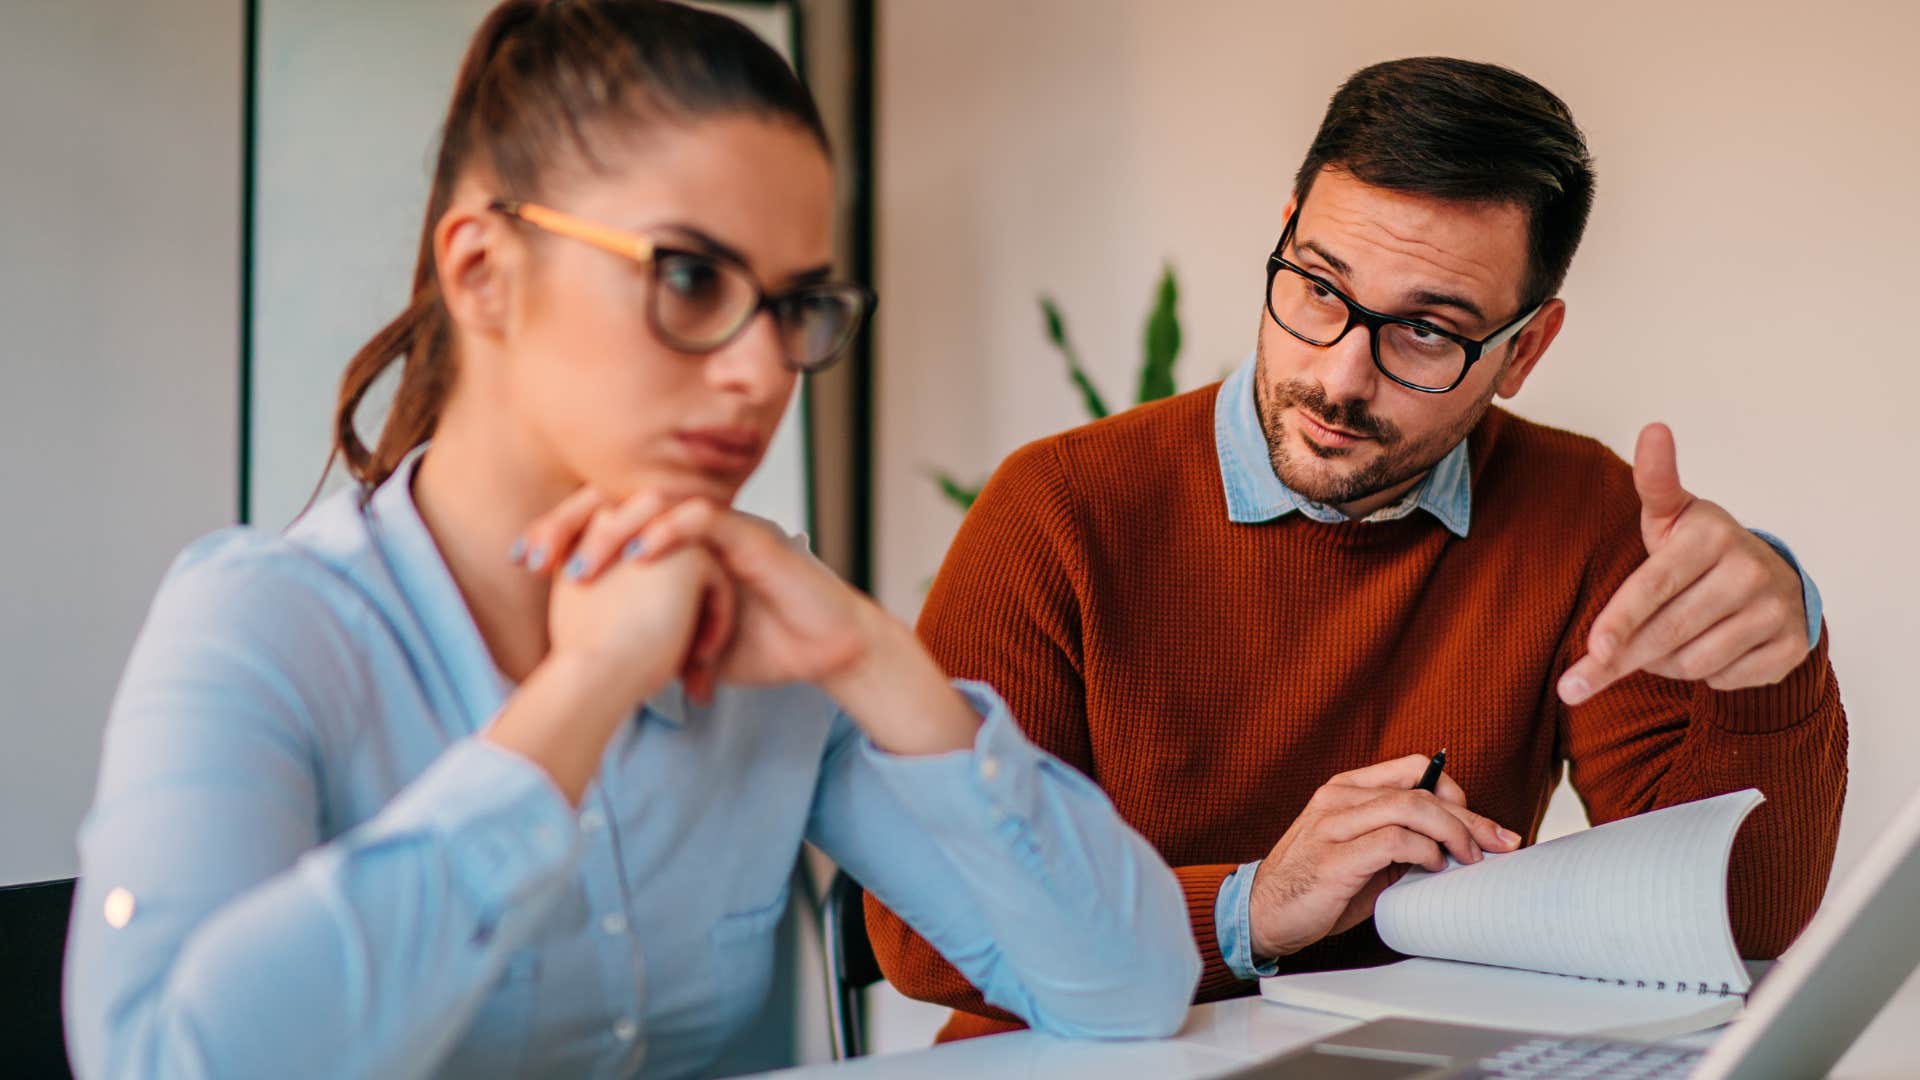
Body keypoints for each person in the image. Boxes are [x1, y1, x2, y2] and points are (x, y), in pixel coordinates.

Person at [62, 3, 1199, 1075]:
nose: (762, 374)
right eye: (691, 278)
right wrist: (587, 688)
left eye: (795, 307)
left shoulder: (767, 634)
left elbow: (1133, 989)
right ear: (483, 273)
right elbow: (158, 1061)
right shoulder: (266, 621)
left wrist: (871, 657)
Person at [868, 56, 1847, 1042]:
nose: (1339, 377)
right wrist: (1254, 906)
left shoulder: (1584, 515)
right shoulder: (1059, 508)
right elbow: (925, 923)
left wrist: (1769, 670)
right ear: (1286, 230)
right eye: (1319, 288)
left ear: (1524, 350)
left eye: (1425, 331)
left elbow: (1734, 926)